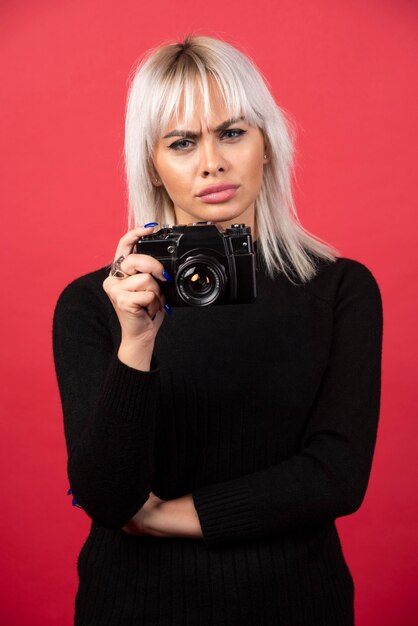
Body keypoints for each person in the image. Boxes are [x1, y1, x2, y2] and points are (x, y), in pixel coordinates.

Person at [52, 34, 383, 626]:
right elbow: (106, 498)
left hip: (297, 604)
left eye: (232, 132)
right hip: (134, 608)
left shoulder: (338, 289)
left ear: (268, 144)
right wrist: (137, 342)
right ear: (151, 163)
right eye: (182, 143)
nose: (212, 162)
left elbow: (336, 476)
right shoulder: (92, 304)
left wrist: (165, 517)